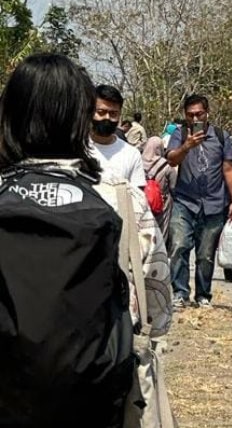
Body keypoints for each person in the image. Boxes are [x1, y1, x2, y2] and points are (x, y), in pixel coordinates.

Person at [0, 54, 134, 426]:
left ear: (9, 115)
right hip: (88, 405)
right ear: (81, 119)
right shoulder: (118, 196)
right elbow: (154, 309)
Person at [166, 94, 232, 309]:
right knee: (179, 246)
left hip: (214, 203)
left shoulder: (220, 136)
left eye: (199, 114)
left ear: (207, 113)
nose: (195, 118)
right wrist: (186, 146)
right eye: (190, 115)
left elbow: (228, 168)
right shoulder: (179, 134)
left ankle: (203, 294)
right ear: (184, 115)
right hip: (184, 201)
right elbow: (171, 159)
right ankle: (180, 292)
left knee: (206, 254)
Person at [89, 85, 146, 189]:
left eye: (113, 113)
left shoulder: (131, 154)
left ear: (119, 114)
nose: (107, 118)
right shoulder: (75, 149)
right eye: (101, 112)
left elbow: (138, 197)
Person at [142, 136, 177, 250]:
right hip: (162, 203)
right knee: (161, 229)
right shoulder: (167, 166)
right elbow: (173, 186)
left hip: (142, 201)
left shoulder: (138, 161)